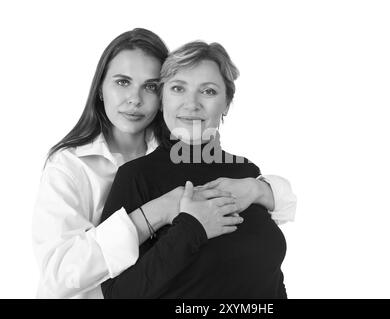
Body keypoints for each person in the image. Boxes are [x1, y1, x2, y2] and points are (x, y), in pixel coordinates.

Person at [32, 29, 297, 299]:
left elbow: (278, 224)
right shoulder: (71, 167)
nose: (135, 99)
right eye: (122, 82)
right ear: (100, 88)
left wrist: (257, 189)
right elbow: (62, 274)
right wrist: (162, 212)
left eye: (149, 86)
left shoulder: (190, 153)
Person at [100, 41, 289, 298]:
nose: (192, 104)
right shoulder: (136, 176)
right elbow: (118, 294)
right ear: (162, 99)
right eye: (178, 88)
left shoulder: (246, 171)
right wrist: (192, 229)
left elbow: (269, 274)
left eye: (208, 91)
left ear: (227, 103)